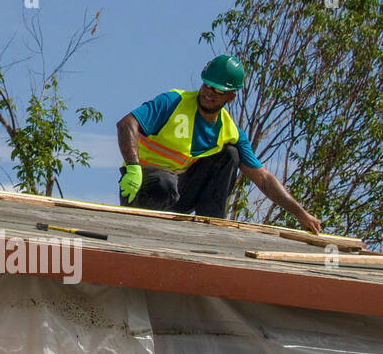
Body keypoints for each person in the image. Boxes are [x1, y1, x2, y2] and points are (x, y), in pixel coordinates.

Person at [116, 55, 320, 233]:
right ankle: (148, 229)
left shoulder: (228, 130)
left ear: (230, 96)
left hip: (175, 191)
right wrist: (133, 166)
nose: (209, 93)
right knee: (164, 183)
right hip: (140, 187)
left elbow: (264, 179)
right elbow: (126, 124)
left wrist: (300, 214)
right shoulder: (173, 102)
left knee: (229, 154)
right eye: (207, 85)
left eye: (218, 90)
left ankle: (210, 225)